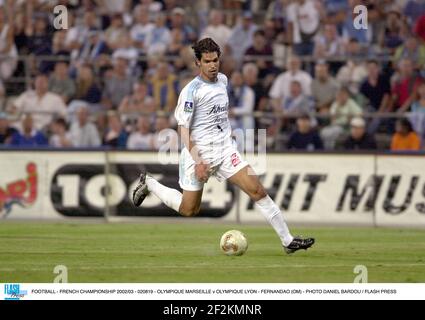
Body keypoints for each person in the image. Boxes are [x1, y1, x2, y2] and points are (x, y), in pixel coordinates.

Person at [132, 38, 314, 254]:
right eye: (207, 61)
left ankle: (288, 241)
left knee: (257, 190)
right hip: (197, 155)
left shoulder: (224, 81)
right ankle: (150, 183)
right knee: (189, 209)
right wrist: (199, 161)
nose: (213, 65)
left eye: (216, 60)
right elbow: (182, 129)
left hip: (226, 151)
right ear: (198, 63)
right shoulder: (191, 91)